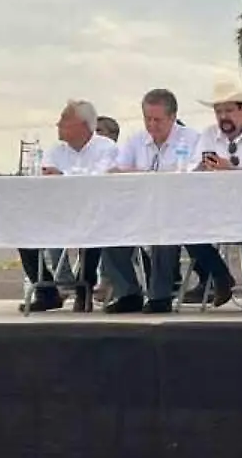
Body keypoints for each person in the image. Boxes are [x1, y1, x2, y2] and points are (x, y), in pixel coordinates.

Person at [103, 88, 200, 314]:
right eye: (147, 119)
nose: (152, 125)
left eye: (158, 120)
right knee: (108, 231)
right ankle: (128, 293)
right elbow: (115, 170)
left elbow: (192, 173)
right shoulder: (136, 140)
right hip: (138, 209)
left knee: (163, 233)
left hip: (178, 210)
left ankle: (160, 296)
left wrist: (141, 173)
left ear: (173, 117)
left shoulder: (192, 139)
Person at [184, 81, 242, 312]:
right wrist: (202, 167)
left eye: (228, 110)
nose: (223, 117)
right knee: (184, 226)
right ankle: (220, 276)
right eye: (218, 112)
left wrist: (232, 170)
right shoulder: (208, 134)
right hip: (217, 205)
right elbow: (190, 168)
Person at [20, 99, 118, 312]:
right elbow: (45, 179)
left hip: (95, 215)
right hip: (58, 214)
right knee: (21, 232)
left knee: (94, 230)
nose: (58, 124)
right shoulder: (55, 150)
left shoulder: (106, 148)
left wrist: (64, 175)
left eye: (64, 120)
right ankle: (47, 292)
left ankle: (85, 290)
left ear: (82, 125)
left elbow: (99, 177)